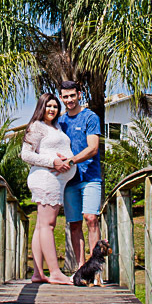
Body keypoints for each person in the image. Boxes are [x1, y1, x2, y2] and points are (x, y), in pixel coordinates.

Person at [20, 92, 76, 285]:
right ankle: (55, 272)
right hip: (46, 179)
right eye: (48, 106)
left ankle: (38, 273)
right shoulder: (36, 126)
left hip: (55, 180)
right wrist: (53, 162)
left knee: (40, 226)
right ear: (41, 107)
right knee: (48, 225)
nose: (52, 109)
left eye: (55, 106)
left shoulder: (56, 127)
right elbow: (26, 155)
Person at [57, 80, 103, 264]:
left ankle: (95, 268)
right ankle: (81, 269)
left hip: (90, 176)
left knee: (91, 218)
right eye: (65, 97)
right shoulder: (60, 121)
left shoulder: (90, 117)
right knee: (74, 224)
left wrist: (71, 161)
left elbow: (93, 148)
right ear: (61, 98)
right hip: (69, 180)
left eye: (72, 96)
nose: (69, 100)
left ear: (79, 95)